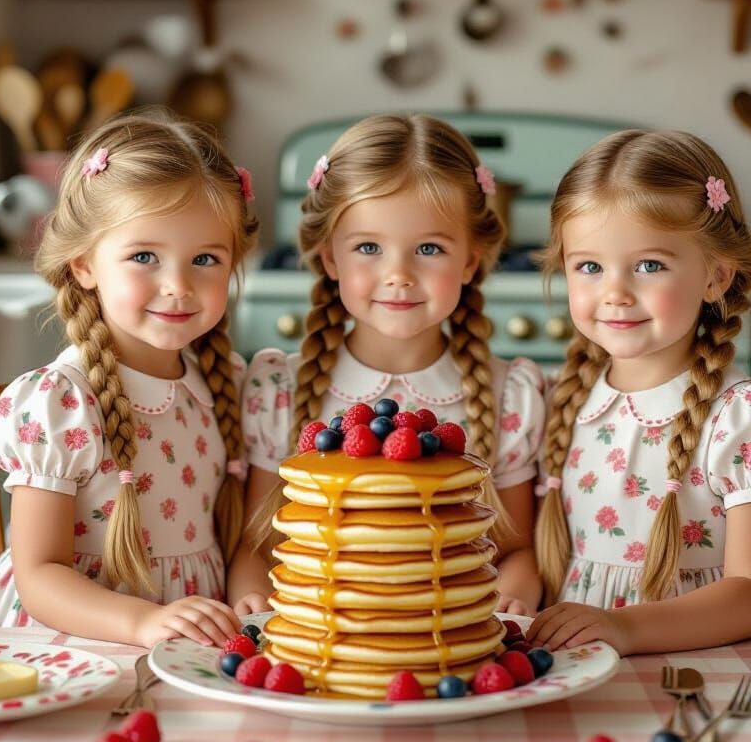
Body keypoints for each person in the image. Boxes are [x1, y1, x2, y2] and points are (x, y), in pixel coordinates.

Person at [0, 111, 258, 648]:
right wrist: (141, 622)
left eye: (206, 259)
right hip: (73, 647)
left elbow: (240, 548)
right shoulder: (61, 402)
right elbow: (40, 575)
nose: (178, 286)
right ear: (84, 265)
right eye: (144, 256)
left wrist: (248, 599)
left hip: (188, 645)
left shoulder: (227, 386)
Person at [528, 129, 751, 656]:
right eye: (589, 266)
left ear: (715, 276)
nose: (615, 292)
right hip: (586, 659)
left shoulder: (744, 419)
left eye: (649, 265)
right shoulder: (563, 401)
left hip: (723, 657)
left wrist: (624, 627)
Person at [232, 114, 545, 616]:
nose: (398, 275)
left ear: (471, 259)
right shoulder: (279, 389)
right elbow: (255, 548)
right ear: (329, 256)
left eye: (429, 248)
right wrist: (253, 602)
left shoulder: (510, 396)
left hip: (452, 643)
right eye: (368, 247)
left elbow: (515, 552)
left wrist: (513, 595)